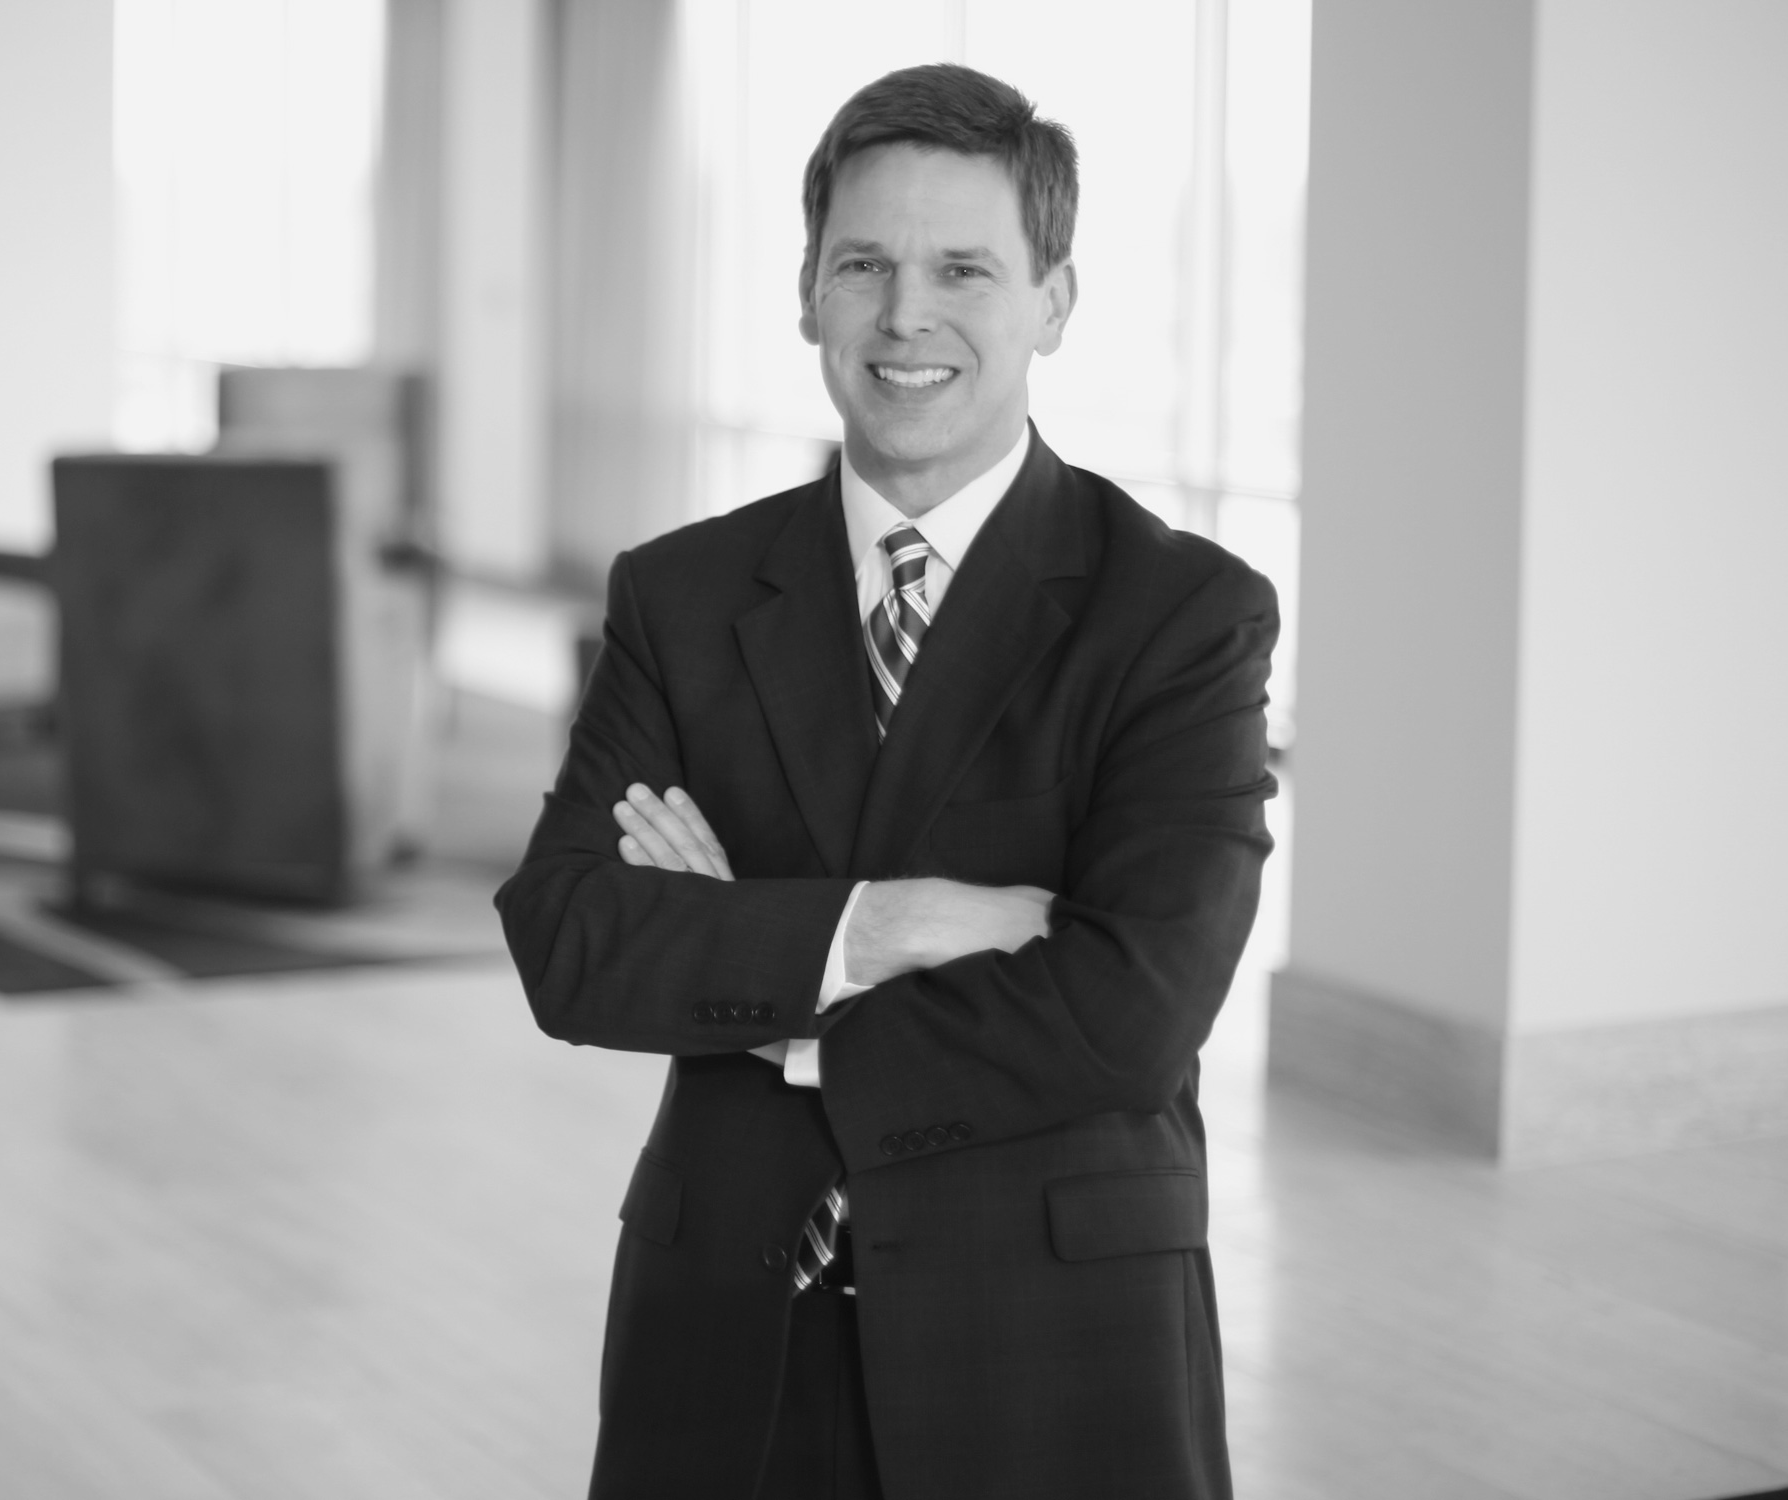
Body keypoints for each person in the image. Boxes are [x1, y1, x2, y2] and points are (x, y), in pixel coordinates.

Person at [493, 63, 1278, 1500]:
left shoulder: (1180, 615)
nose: (906, 314)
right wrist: (896, 925)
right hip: (726, 1328)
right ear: (808, 292)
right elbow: (568, 939)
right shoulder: (681, 595)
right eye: (864, 265)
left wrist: (763, 971)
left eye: (964, 269)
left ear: (1054, 302)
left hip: (1047, 1336)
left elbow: (1135, 1010)